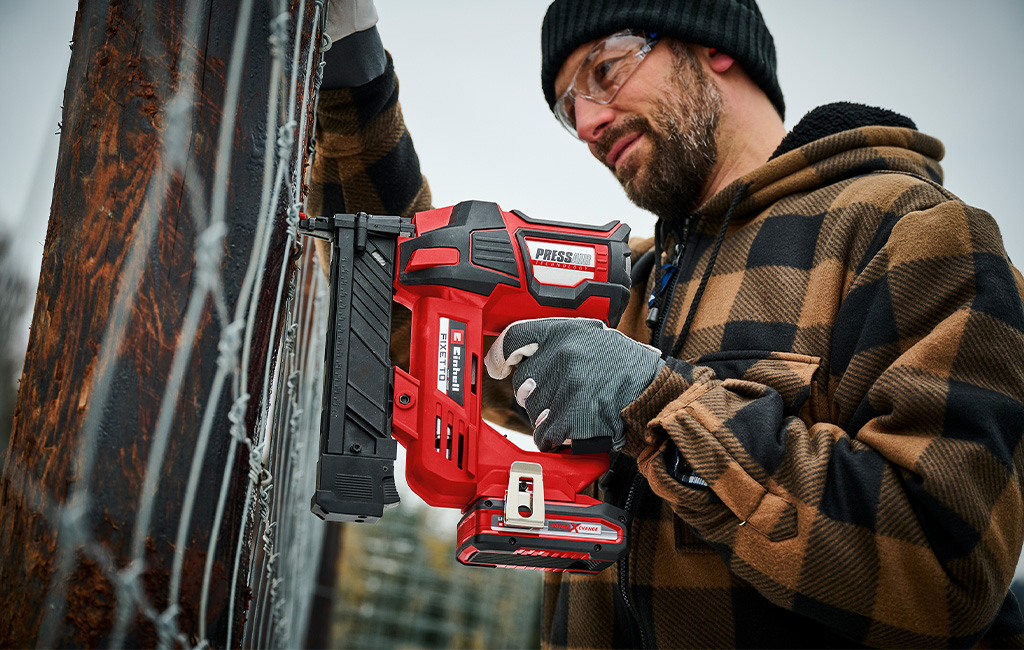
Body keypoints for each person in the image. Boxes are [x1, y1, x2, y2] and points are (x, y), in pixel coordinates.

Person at [310, 0, 1024, 647]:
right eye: (568, 108)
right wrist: (357, 85)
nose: (587, 123)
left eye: (605, 70)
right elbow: (409, 312)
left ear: (712, 44)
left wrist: (657, 401)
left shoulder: (913, 233)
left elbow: (942, 573)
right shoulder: (630, 285)